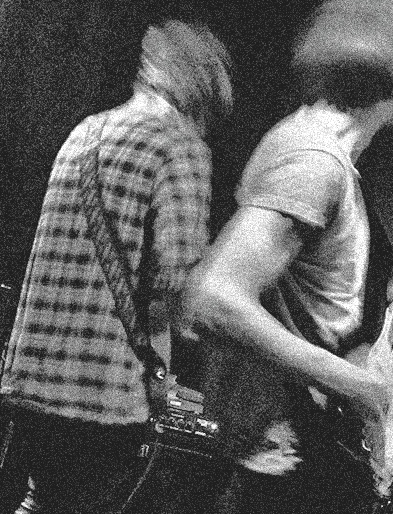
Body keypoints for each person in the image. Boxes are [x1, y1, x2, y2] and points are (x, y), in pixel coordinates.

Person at [182, 1, 393, 513]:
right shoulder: (315, 161)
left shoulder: (328, 156)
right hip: (284, 464)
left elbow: (345, 304)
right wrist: (355, 383)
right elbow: (213, 297)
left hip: (298, 455)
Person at [0, 20, 232, 513]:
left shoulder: (85, 132)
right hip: (102, 394)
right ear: (202, 88)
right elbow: (179, 284)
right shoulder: (179, 146)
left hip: (29, 377)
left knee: (34, 503)